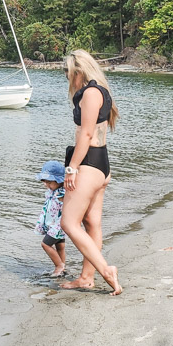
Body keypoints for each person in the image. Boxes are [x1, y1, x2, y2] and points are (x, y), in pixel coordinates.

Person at [59, 50, 123, 295]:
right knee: (91, 222)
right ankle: (86, 277)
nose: (66, 77)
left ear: (78, 71)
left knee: (69, 222)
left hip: (88, 162)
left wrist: (71, 168)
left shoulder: (90, 93)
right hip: (100, 163)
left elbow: (86, 134)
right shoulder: (100, 92)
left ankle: (106, 271)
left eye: (67, 72)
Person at [34, 160, 67, 276]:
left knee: (45, 244)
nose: (46, 185)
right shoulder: (52, 190)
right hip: (53, 223)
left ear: (59, 181)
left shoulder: (63, 192)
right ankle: (62, 267)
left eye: (49, 182)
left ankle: (59, 265)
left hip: (59, 224)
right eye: (45, 182)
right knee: (60, 245)